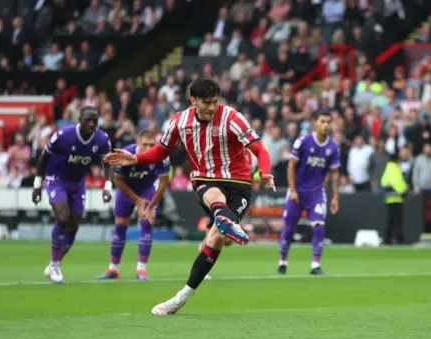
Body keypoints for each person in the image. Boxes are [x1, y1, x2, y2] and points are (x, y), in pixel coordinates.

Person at [104, 78, 275, 315]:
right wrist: (135, 158)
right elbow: (162, 150)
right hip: (204, 178)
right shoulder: (179, 122)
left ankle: (182, 296)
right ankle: (225, 221)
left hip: (238, 182)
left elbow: (259, 149)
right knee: (214, 196)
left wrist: (265, 171)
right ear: (193, 100)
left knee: (214, 241)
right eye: (207, 103)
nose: (212, 107)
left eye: (215, 101)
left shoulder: (232, 118)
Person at [32, 106, 113, 283]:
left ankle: (55, 263)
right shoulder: (64, 135)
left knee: (73, 225)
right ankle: (54, 265)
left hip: (77, 184)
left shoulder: (102, 139)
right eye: (88, 120)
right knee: (63, 217)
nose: (92, 123)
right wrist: (37, 184)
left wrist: (107, 186)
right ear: (79, 121)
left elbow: (108, 161)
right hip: (56, 179)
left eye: (95, 120)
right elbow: (44, 156)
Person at [97, 130, 171, 281]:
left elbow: (164, 182)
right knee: (120, 227)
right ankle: (113, 268)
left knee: (147, 223)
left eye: (152, 144)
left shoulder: (162, 155)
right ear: (137, 142)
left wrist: (150, 207)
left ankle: (141, 270)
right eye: (145, 144)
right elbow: (118, 180)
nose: (149, 148)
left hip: (147, 190)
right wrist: (137, 200)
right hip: (126, 191)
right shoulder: (126, 154)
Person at [277, 112, 340, 275]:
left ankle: (315, 265)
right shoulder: (303, 142)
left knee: (319, 225)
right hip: (297, 191)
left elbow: (334, 173)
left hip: (316, 192)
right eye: (322, 121)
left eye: (328, 122)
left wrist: (335, 197)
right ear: (315, 124)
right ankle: (282, 262)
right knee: (289, 228)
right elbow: (291, 166)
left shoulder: (333, 147)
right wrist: (292, 190)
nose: (325, 125)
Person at [380, 152, 409, 244]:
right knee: (398, 221)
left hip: (389, 199)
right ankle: (398, 239)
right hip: (397, 198)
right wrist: (404, 190)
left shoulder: (387, 168)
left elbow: (383, 182)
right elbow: (398, 183)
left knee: (390, 220)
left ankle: (387, 239)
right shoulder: (395, 169)